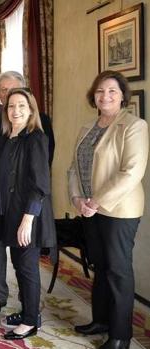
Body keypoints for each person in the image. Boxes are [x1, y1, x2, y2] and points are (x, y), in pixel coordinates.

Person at [69, 71, 148, 349]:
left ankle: (120, 336)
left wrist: (97, 201)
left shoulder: (134, 126)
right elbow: (74, 169)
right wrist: (77, 197)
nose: (105, 96)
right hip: (90, 209)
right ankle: (101, 320)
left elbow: (131, 172)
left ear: (122, 95)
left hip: (119, 210)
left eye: (112, 91)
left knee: (118, 271)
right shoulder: (87, 128)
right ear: (94, 95)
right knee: (100, 266)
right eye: (100, 91)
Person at [0, 70, 56, 315]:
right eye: (9, 102)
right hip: (5, 207)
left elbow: (40, 179)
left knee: (26, 266)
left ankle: (30, 317)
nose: (14, 108)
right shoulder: (6, 131)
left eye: (20, 104)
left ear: (30, 107)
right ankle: (22, 310)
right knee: (17, 261)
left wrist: (28, 218)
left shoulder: (36, 135)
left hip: (27, 211)